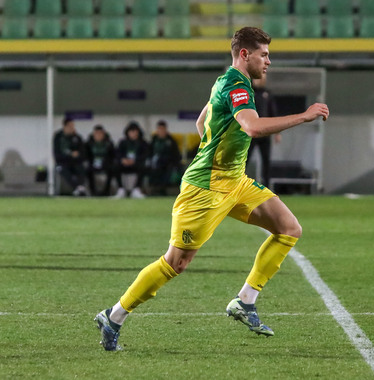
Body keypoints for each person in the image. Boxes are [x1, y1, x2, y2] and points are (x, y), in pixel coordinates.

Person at [94, 26, 329, 351]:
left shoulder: (226, 82)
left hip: (234, 181)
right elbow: (252, 126)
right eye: (264, 54)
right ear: (244, 54)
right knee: (175, 263)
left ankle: (245, 301)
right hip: (206, 188)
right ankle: (114, 316)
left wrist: (219, 145)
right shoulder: (235, 85)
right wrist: (303, 116)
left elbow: (202, 122)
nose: (269, 61)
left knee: (288, 228)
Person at [247, 75, 281, 186]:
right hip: (251, 134)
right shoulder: (248, 93)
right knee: (244, 160)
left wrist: (277, 132)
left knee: (266, 161)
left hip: (265, 134)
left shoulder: (268, 94)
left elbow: (273, 112)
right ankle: (237, 185)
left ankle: (266, 186)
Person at [53, 118, 87, 196]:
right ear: (65, 126)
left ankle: (79, 188)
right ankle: (78, 188)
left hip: (75, 162)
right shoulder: (58, 137)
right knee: (63, 170)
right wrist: (69, 155)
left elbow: (82, 153)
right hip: (62, 162)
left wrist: (77, 155)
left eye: (73, 126)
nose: (72, 128)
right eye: (70, 126)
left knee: (81, 167)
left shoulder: (77, 137)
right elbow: (57, 154)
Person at [115, 121, 148, 199]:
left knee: (143, 166)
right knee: (115, 165)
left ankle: (136, 189)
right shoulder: (123, 142)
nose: (133, 133)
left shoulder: (143, 143)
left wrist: (135, 160)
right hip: (125, 164)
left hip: (136, 164)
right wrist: (123, 160)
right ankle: (121, 189)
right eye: (131, 131)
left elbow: (145, 154)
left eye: (135, 131)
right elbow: (117, 153)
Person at [149, 120, 182, 195]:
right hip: (155, 164)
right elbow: (149, 152)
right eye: (159, 129)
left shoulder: (171, 140)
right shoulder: (154, 140)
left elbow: (176, 155)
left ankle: (162, 189)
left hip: (168, 163)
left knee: (167, 170)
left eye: (162, 129)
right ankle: (154, 189)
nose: (161, 131)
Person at [85, 125, 115, 196]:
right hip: (92, 164)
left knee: (112, 169)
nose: (98, 135)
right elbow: (86, 155)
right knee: (88, 171)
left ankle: (106, 191)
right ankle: (93, 192)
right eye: (96, 133)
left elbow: (112, 155)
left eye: (100, 133)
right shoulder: (88, 144)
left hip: (105, 164)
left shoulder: (109, 144)